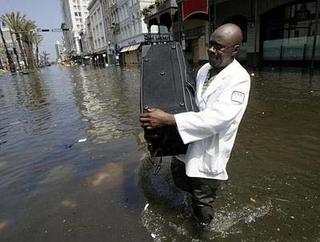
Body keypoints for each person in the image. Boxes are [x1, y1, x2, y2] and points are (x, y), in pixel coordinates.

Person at [140, 23, 251, 227]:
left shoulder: (239, 79)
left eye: (219, 47)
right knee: (182, 183)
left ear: (235, 50)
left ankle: (203, 233)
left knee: (202, 203)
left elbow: (219, 118)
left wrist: (169, 119)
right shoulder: (205, 69)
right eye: (210, 44)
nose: (211, 50)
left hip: (209, 151)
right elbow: (190, 101)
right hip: (186, 142)